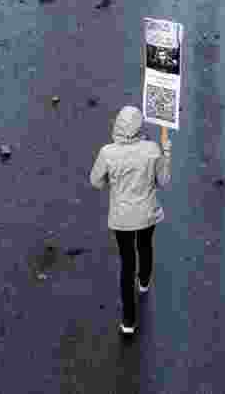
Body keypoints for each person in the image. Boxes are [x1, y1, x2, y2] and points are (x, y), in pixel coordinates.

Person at [90, 105, 172, 336]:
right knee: (145, 245)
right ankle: (144, 281)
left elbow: (96, 181)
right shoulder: (152, 150)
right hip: (147, 213)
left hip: (121, 217)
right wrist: (166, 151)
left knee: (127, 262)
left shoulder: (108, 152)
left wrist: (112, 184)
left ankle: (128, 320)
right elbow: (163, 181)